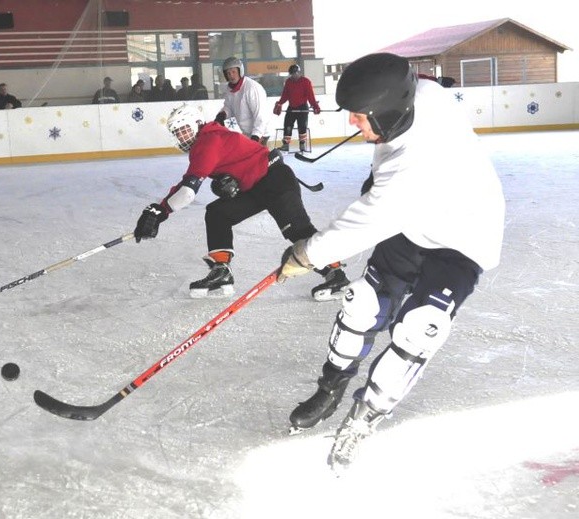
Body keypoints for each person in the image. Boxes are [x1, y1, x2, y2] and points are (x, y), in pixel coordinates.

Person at [277, 53, 505, 470]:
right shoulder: (422, 95)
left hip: (464, 237)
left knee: (419, 331)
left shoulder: (413, 169)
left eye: (360, 117)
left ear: (388, 113)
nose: (352, 123)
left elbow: (360, 226)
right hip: (416, 220)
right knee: (362, 303)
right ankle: (330, 388)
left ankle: (363, 419)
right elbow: (408, 87)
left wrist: (303, 254)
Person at [132, 104, 349, 300]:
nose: (181, 137)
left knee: (298, 231)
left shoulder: (208, 141)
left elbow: (188, 191)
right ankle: (221, 272)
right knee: (218, 213)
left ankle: (336, 274)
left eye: (184, 130)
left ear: (197, 124)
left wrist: (160, 211)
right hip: (255, 186)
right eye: (177, 133)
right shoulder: (207, 138)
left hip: (275, 181)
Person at [215, 56, 271, 146]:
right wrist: (222, 114)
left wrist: (256, 137)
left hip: (261, 133)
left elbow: (260, 115)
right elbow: (229, 106)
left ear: (240, 71)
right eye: (228, 73)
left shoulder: (251, 88)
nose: (231, 76)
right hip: (248, 133)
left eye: (233, 72)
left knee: (257, 159)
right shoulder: (230, 89)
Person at [273, 64, 320, 153]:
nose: (293, 76)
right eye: (291, 74)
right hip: (291, 107)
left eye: (294, 74)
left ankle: (302, 144)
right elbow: (285, 95)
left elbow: (311, 96)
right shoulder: (288, 82)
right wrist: (279, 103)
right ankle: (286, 145)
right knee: (287, 125)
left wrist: (315, 105)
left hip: (302, 107)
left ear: (299, 72)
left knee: (302, 126)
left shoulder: (306, 82)